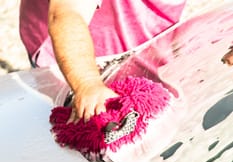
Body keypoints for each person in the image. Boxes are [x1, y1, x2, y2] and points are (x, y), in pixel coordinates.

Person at [19, 0, 186, 122]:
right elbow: (67, 15)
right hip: (67, 56)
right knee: (75, 124)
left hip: (138, 46)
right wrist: (87, 83)